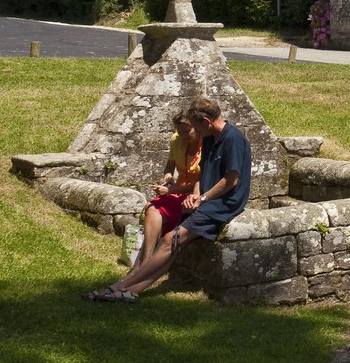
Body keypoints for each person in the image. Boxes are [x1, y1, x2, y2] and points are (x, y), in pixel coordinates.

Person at [85, 95, 252, 303]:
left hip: (224, 204)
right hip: (206, 200)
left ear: (206, 121)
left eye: (196, 127)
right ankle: (131, 290)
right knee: (172, 242)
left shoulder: (233, 139)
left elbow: (231, 180)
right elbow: (203, 174)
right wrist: (196, 194)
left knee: (170, 240)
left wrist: (202, 198)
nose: (195, 132)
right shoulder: (210, 137)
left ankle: (119, 287)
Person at [134, 111, 201, 264]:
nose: (183, 135)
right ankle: (146, 260)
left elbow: (203, 181)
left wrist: (172, 190)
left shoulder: (207, 145)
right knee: (152, 207)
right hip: (178, 191)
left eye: (187, 131)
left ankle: (147, 263)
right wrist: (168, 177)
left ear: (196, 128)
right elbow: (169, 167)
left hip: (195, 194)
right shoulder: (176, 140)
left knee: (164, 210)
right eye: (179, 131)